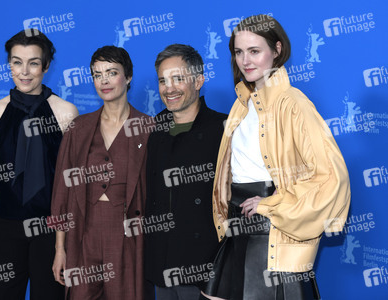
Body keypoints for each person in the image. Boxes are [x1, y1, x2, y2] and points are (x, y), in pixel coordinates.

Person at [201, 15, 351, 300]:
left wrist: (272, 204)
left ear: (277, 50)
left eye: (254, 51)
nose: (245, 60)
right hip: (237, 228)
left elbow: (331, 179)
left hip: (273, 233)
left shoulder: (294, 103)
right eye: (239, 51)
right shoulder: (240, 105)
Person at [0, 29, 78, 300]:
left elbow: (68, 184)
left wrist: (63, 244)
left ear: (45, 66)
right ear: (9, 64)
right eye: (16, 62)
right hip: (4, 228)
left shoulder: (66, 113)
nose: (24, 71)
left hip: (50, 229)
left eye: (33, 63)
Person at [51, 45, 154, 300]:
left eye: (111, 72)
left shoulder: (149, 128)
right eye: (97, 74)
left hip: (128, 236)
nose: (104, 81)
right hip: (84, 233)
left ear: (128, 77)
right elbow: (61, 193)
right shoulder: (79, 128)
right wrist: (59, 248)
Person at [145, 44, 228, 300]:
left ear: (199, 80)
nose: (169, 88)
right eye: (163, 80)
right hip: (161, 266)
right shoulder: (152, 130)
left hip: (206, 270)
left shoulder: (223, 129)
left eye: (178, 79)